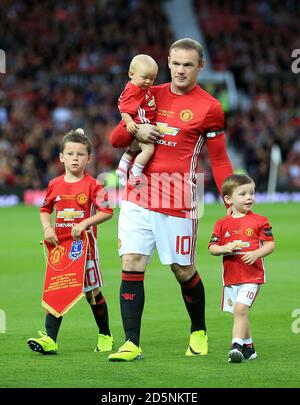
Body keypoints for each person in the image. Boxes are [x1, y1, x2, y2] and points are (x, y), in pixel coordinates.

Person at [108, 38, 233, 362]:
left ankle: (198, 330)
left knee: (182, 269)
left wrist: (230, 199)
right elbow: (116, 139)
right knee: (131, 263)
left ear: (200, 67)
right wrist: (138, 131)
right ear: (168, 61)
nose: (180, 70)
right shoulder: (150, 93)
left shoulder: (210, 107)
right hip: (137, 194)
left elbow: (219, 160)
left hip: (177, 199)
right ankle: (131, 342)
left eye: (187, 64)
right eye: (175, 63)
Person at [27, 128, 114, 355]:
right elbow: (45, 209)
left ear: (89, 158)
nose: (75, 158)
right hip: (59, 247)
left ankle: (105, 334)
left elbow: (107, 211)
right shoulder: (54, 184)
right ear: (61, 157)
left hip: (85, 248)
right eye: (70, 153)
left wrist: (85, 223)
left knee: (91, 294)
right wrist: (47, 228)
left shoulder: (95, 185)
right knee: (57, 290)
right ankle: (50, 340)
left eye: (80, 154)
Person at [208, 174, 275, 363]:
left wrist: (256, 254)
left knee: (240, 309)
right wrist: (224, 248)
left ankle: (235, 346)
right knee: (240, 313)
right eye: (243, 194)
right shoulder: (221, 223)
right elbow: (212, 248)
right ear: (228, 199)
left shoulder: (260, 220)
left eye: (252, 193)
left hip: (252, 276)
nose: (249, 197)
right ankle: (249, 348)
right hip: (230, 278)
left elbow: (270, 244)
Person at [115, 54, 158, 186]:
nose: (148, 82)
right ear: (131, 74)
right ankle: (135, 172)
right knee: (148, 149)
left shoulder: (139, 88)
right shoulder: (134, 90)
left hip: (140, 122)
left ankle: (122, 167)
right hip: (139, 124)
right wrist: (129, 122)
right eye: (144, 78)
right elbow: (123, 108)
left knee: (133, 148)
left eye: (152, 79)